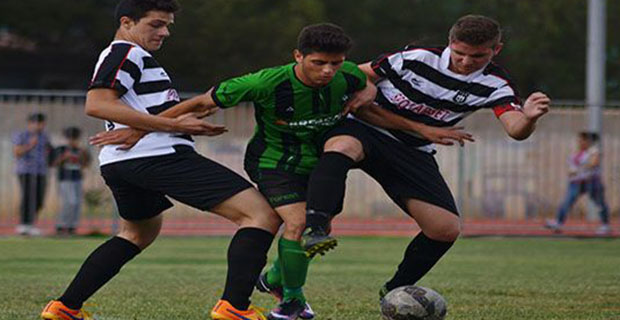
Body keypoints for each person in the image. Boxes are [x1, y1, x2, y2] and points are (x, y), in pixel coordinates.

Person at [88, 22, 461, 320]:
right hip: (273, 163)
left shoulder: (348, 76)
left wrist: (421, 128)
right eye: (318, 63)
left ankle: (274, 279)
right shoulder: (265, 82)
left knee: (318, 227)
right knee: (297, 224)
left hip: (320, 164)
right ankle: (290, 302)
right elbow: (202, 102)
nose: (328, 71)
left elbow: (365, 108)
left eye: (335, 63)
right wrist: (140, 128)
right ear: (298, 56)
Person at [40, 1, 281, 320]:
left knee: (136, 234)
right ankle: (234, 307)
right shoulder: (125, 53)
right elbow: (97, 104)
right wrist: (174, 125)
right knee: (261, 215)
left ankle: (65, 307)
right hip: (159, 157)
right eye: (156, 24)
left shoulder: (134, 57)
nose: (165, 32)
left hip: (122, 162)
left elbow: (143, 113)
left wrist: (189, 110)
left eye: (168, 25)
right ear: (126, 22)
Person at [301, 14, 551, 299]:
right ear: (450, 43)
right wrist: (368, 85)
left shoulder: (496, 84)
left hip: (412, 150)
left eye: (478, 56)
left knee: (444, 229)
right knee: (343, 146)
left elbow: (515, 129)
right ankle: (317, 227)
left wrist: (529, 118)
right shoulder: (417, 58)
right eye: (460, 53)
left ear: (497, 50)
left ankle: (394, 290)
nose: (466, 61)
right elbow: (360, 73)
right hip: (365, 129)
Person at [545, 132, 611, 235]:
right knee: (567, 202)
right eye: (579, 140)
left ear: (587, 141)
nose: (579, 142)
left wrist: (579, 169)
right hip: (576, 182)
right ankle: (558, 222)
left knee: (600, 204)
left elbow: (594, 163)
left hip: (591, 181)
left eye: (581, 140)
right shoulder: (578, 152)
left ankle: (605, 226)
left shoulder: (593, 151)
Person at [12, 112, 52, 236]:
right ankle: (24, 224)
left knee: (39, 198)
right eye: (37, 123)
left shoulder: (44, 136)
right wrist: (30, 145)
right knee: (28, 197)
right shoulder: (22, 135)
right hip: (26, 171)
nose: (40, 126)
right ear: (30, 123)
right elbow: (17, 152)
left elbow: (48, 151)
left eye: (42, 124)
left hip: (41, 171)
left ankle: (31, 223)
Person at [51, 127, 91, 235]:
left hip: (77, 178)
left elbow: (86, 164)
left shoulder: (80, 150)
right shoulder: (61, 149)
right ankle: (62, 225)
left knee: (77, 202)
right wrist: (64, 157)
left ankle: (72, 226)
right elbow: (53, 163)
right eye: (70, 138)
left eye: (75, 138)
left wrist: (82, 156)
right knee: (69, 202)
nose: (72, 141)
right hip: (64, 179)